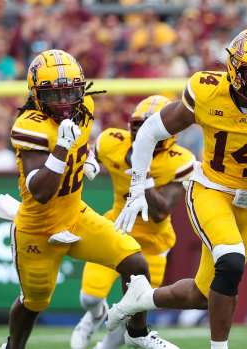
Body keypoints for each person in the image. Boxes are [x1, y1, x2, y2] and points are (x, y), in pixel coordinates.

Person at [107, 28, 247, 349]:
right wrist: (139, 185)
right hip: (211, 189)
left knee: (203, 294)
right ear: (235, 71)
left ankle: (141, 298)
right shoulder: (208, 93)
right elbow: (150, 131)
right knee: (232, 260)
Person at [1, 49, 175, 349]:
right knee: (34, 302)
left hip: (75, 216)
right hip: (37, 228)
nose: (65, 102)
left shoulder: (85, 106)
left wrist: (87, 158)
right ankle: (13, 346)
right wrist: (62, 150)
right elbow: (40, 192)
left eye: (71, 92)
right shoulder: (29, 126)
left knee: (134, 261)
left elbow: (83, 142)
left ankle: (137, 333)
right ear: (36, 95)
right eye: (55, 95)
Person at [70, 95, 195, 349]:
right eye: (138, 125)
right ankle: (95, 315)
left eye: (149, 128)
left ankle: (105, 347)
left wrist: (143, 174)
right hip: (116, 229)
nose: (142, 133)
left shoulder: (180, 160)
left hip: (152, 242)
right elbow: (90, 152)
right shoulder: (112, 142)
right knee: (89, 297)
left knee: (132, 310)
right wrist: (87, 160)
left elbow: (161, 211)